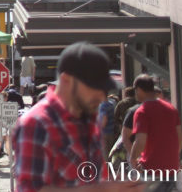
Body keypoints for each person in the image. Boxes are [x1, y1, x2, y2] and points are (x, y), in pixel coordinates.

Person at [11, 41, 127, 192]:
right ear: (66, 80)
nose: (102, 97)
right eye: (95, 87)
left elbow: (91, 180)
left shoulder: (88, 119)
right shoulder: (36, 124)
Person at [128, 74, 181, 188]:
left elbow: (140, 141)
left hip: (151, 170)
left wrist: (132, 159)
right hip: (171, 168)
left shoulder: (142, 111)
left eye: (135, 90)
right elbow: (179, 138)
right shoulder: (171, 109)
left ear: (139, 90)